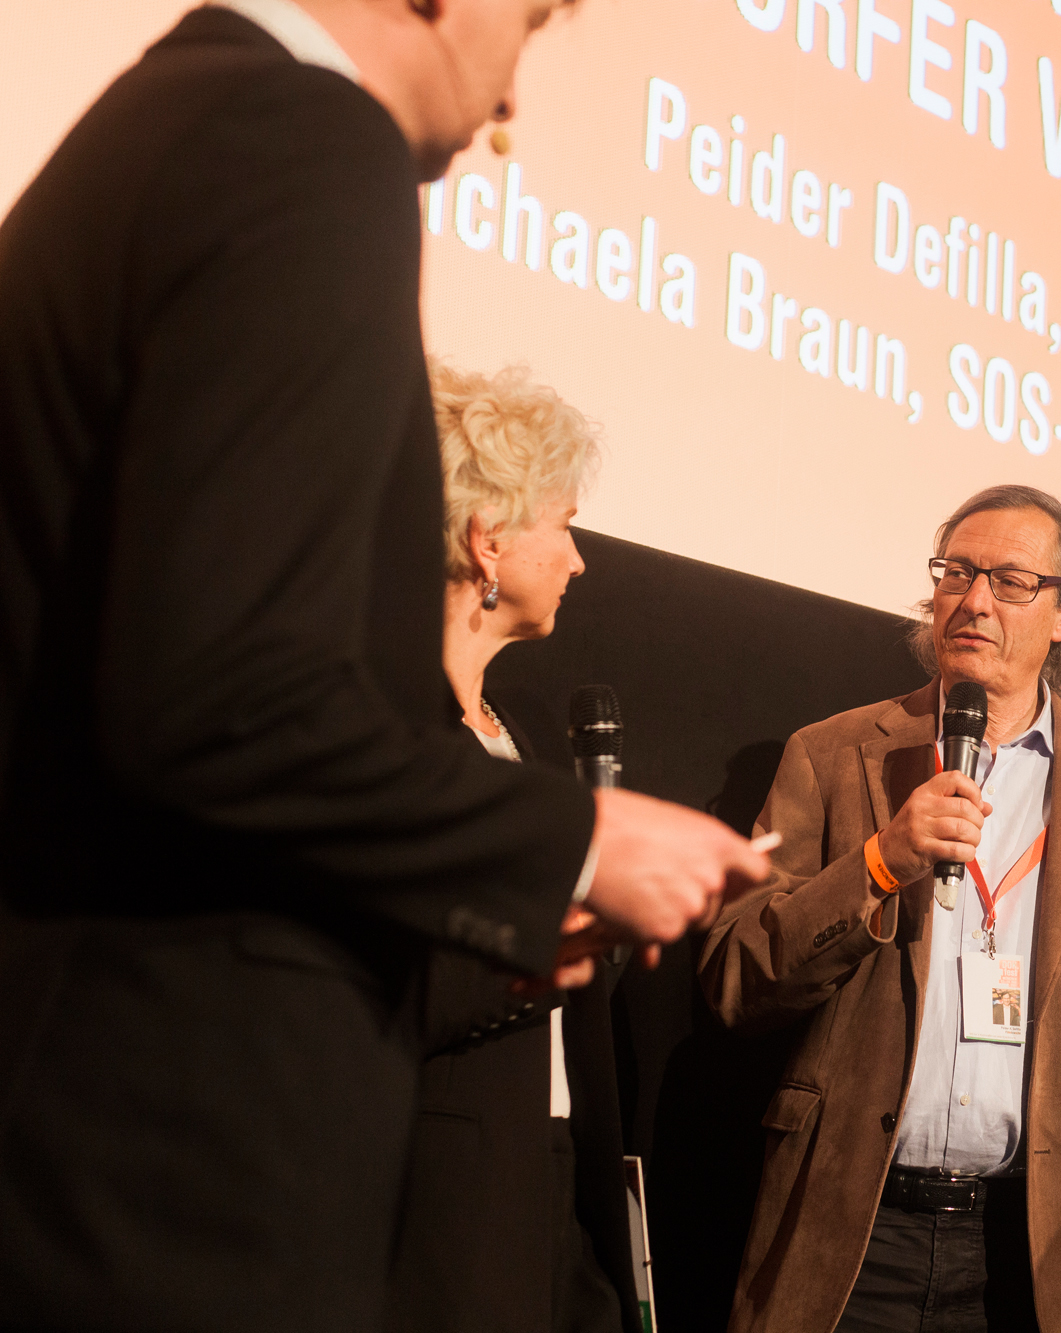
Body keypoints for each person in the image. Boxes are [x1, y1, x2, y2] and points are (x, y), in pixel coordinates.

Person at [0, 4, 764, 1329]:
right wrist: (577, 840)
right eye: (527, 20)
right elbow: (222, 703)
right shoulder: (301, 139)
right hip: (161, 1169)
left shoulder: (189, 123)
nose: (511, 96)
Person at [700, 485, 1061, 1333]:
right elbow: (737, 974)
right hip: (850, 1228)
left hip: (1028, 1248)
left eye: (1010, 581)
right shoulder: (834, 755)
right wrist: (879, 863)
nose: (974, 600)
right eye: (956, 573)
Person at [384, 362, 635, 1333]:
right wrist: (557, 935)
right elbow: (384, 975)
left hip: (552, 1175)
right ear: (487, 539)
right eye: (563, 525)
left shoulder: (519, 736)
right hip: (439, 1188)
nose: (578, 561)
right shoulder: (392, 730)